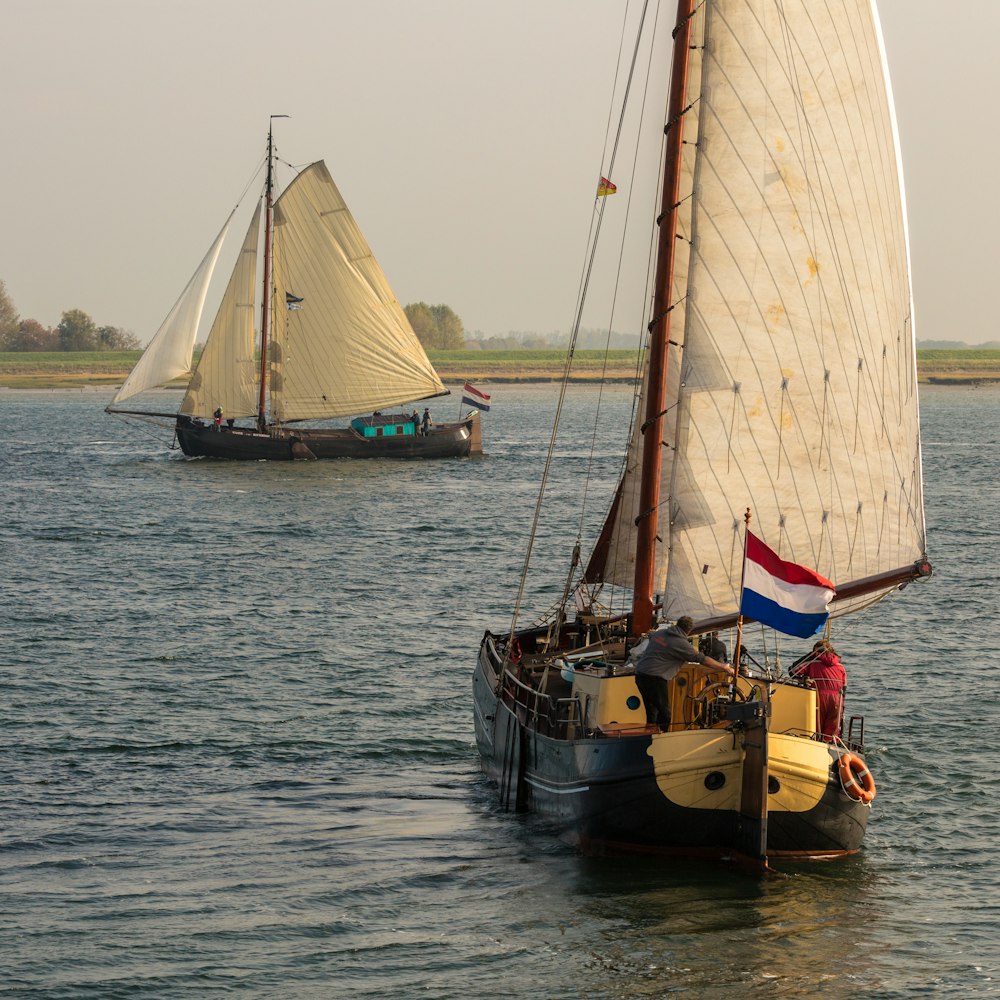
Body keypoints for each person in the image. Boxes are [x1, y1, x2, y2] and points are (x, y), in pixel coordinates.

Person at [633, 615, 733, 732]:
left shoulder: (659, 634)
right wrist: (724, 667)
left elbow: (653, 638)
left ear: (677, 624)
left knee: (652, 712)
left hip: (640, 675)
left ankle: (649, 738)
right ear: (689, 630)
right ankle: (659, 740)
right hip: (654, 679)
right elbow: (702, 659)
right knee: (665, 714)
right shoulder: (680, 643)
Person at [790, 639, 847, 740]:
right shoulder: (840, 666)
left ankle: (816, 743)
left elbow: (792, 671)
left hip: (818, 697)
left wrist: (809, 656)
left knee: (816, 727)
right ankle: (831, 745)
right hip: (837, 699)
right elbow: (844, 686)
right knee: (832, 730)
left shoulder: (812, 662)